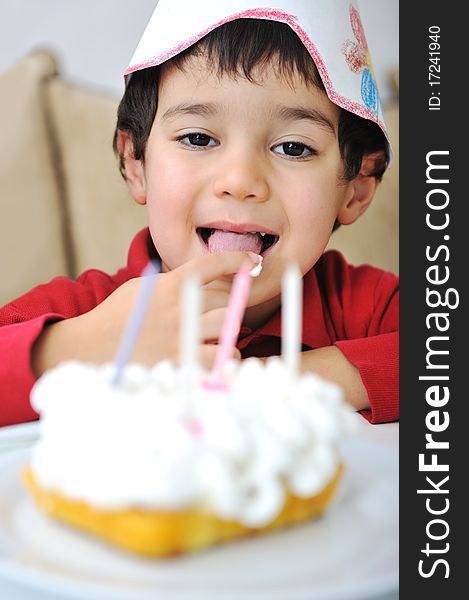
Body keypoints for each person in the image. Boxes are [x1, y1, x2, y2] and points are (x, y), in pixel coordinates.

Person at [0, 0, 398, 427]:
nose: (241, 180)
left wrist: (275, 379)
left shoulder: (363, 306)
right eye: (198, 138)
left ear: (355, 190)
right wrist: (85, 345)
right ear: (136, 162)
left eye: (293, 148)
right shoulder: (90, 310)